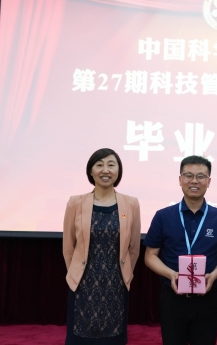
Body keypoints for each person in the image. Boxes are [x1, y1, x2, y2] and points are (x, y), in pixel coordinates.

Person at [144, 155, 217, 345]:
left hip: (207, 298)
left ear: (208, 181)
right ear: (180, 179)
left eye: (201, 176)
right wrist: (171, 274)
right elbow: (150, 256)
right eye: (188, 176)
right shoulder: (163, 216)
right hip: (173, 298)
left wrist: (214, 275)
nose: (194, 181)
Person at [63, 148, 141, 345]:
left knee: (113, 337)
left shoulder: (131, 204)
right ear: (91, 171)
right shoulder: (75, 203)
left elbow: (134, 247)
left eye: (111, 165)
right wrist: (75, 273)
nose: (105, 170)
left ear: (118, 171)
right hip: (82, 283)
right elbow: (68, 247)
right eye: (99, 165)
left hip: (116, 283)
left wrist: (125, 273)